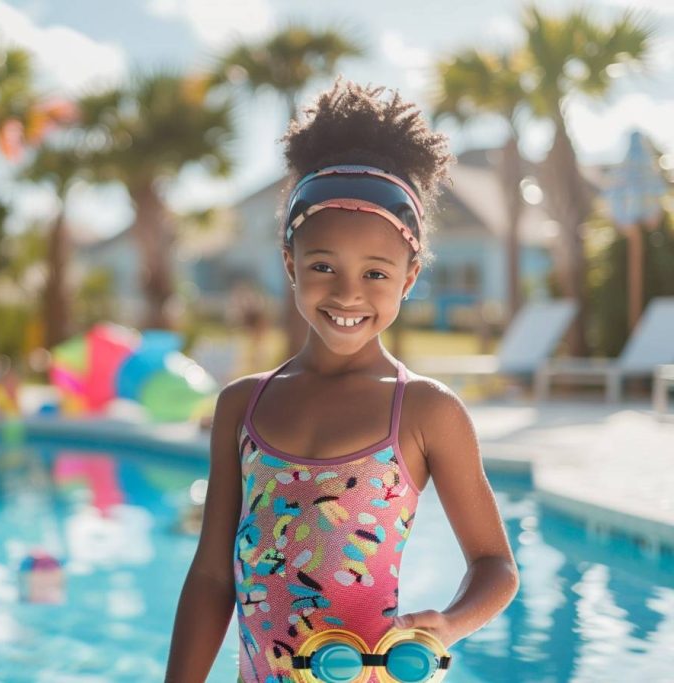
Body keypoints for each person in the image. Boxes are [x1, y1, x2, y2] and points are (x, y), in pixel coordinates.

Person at [165, 79, 519, 683]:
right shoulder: (242, 405)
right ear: (289, 264)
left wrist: (452, 622)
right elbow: (211, 574)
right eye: (322, 266)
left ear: (409, 278)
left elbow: (495, 565)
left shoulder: (424, 411)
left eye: (376, 272)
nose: (348, 292)